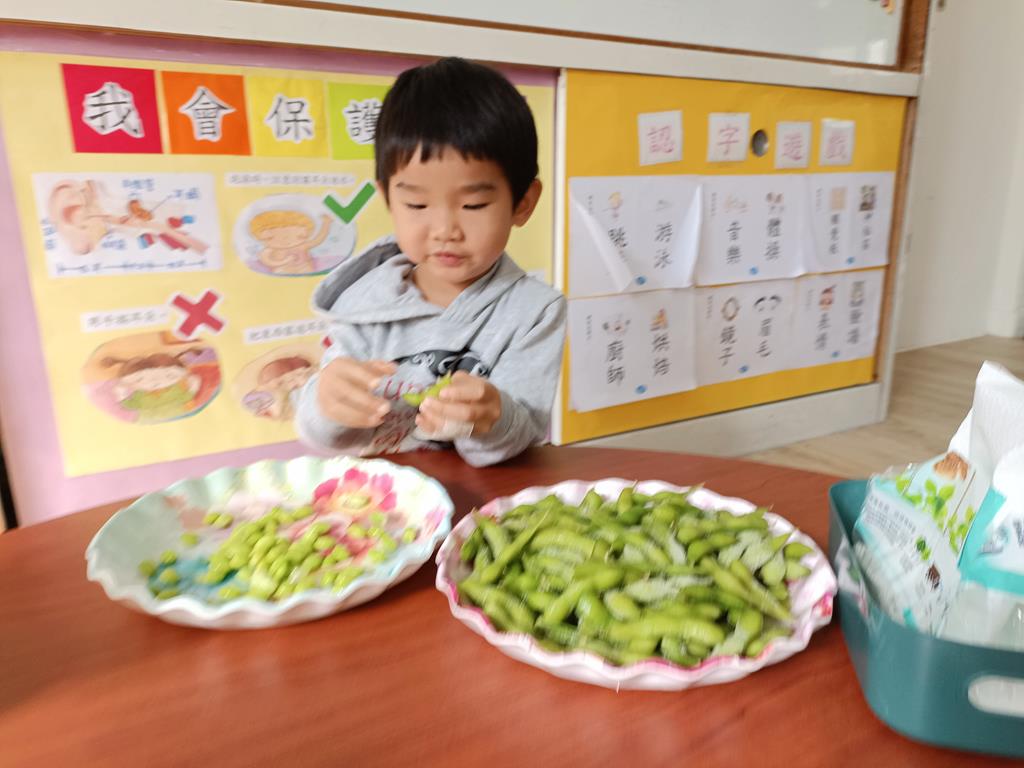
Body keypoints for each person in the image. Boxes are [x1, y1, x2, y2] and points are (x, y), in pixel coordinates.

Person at [294, 57, 566, 467]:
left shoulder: (534, 311)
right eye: (417, 204)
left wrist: (493, 419)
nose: (444, 230)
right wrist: (325, 403)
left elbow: (515, 440)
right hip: (385, 494)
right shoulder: (363, 301)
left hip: (488, 492)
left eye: (473, 205)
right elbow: (330, 438)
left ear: (523, 203)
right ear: (389, 199)